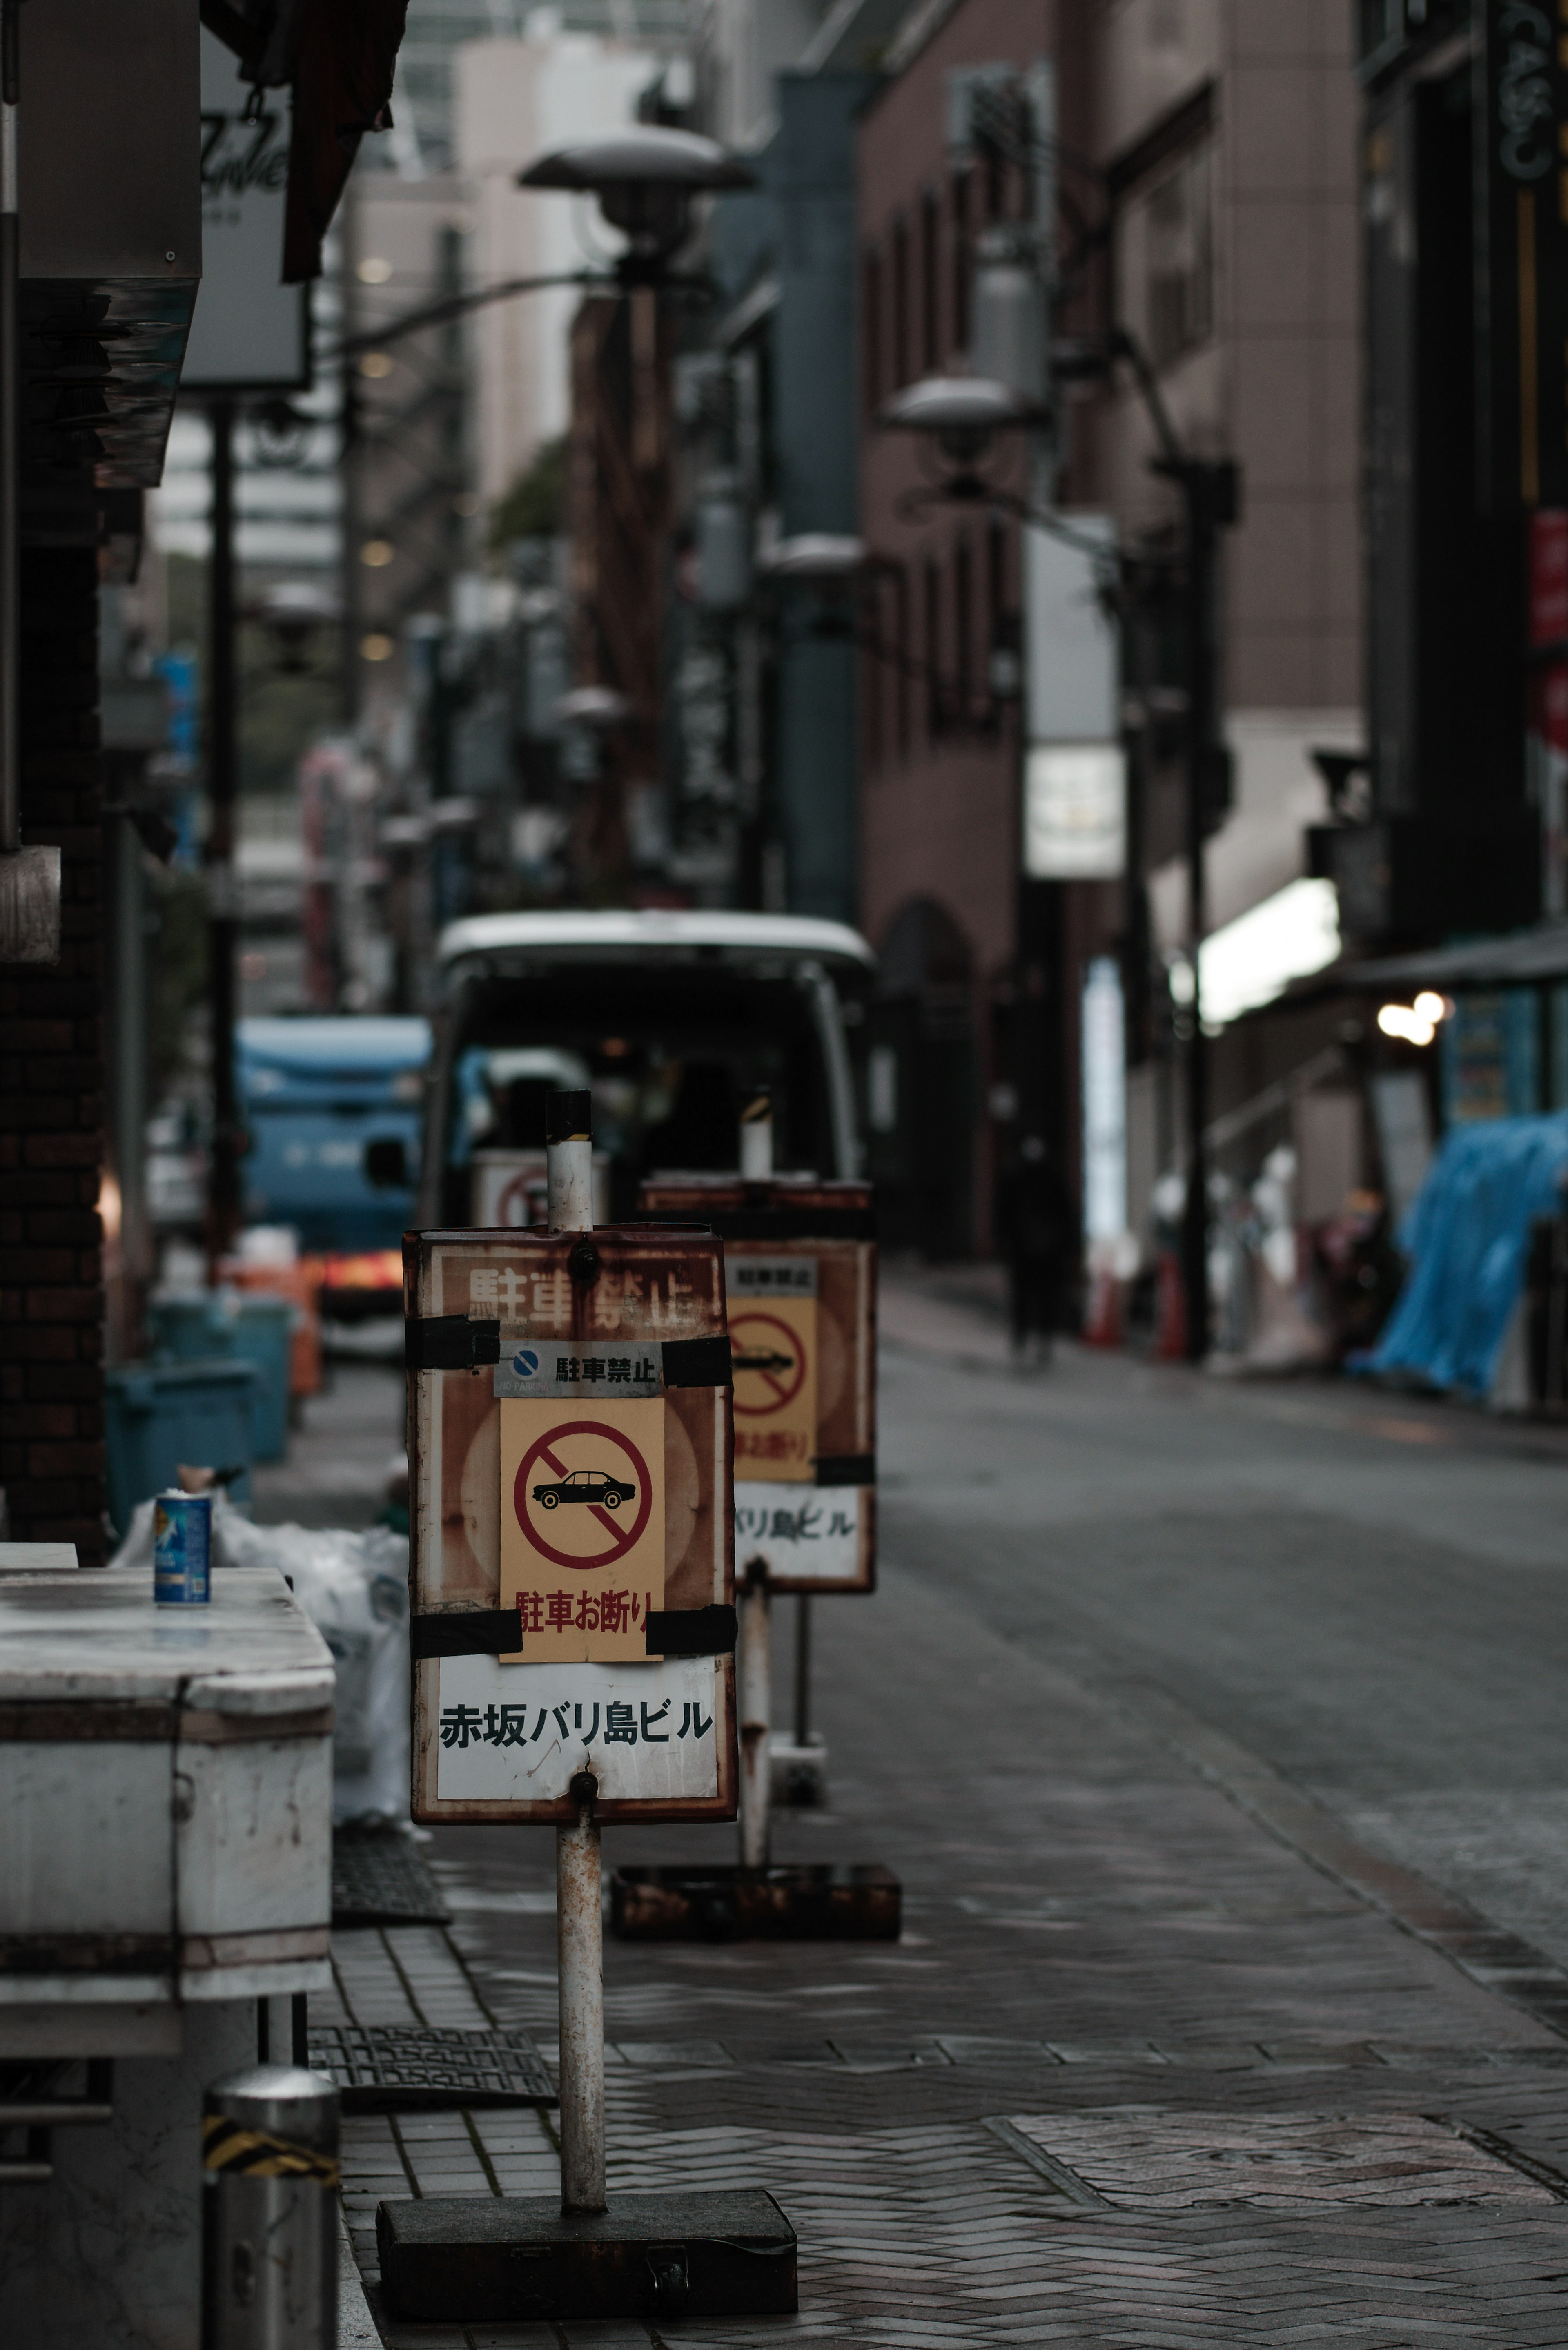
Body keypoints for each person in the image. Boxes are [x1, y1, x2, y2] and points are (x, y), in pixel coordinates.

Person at [998, 1134, 1070, 1366]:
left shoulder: (1048, 1177)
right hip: (1026, 1249)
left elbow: (1065, 1214)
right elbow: (1003, 1213)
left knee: (1041, 1296)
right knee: (1026, 1296)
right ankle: (1025, 1338)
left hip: (1044, 1250)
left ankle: (1039, 1340)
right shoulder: (1017, 1176)